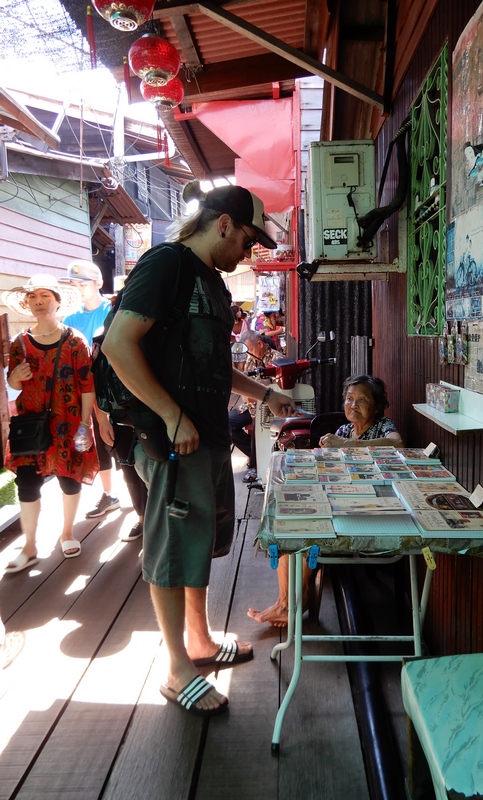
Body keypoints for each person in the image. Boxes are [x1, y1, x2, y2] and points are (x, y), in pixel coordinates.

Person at [102, 184, 296, 717]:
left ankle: (200, 642)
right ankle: (175, 670)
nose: (249, 253)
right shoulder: (166, 264)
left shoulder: (210, 281)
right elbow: (117, 344)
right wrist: (171, 414)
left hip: (202, 435)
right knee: (171, 549)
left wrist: (266, 394)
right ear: (225, 224)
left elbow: (210, 363)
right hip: (170, 439)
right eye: (249, 240)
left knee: (198, 545)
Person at [248, 374, 402, 627]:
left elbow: (397, 444)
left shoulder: (383, 426)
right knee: (290, 522)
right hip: (341, 497)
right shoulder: (343, 429)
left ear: (376, 405)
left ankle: (294, 601)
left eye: (362, 400)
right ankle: (285, 601)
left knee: (308, 529)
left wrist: (347, 445)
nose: (353, 405)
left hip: (367, 507)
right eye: (349, 399)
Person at [2, 275, 99, 573]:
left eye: (45, 296)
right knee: (27, 483)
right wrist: (13, 380)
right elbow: (12, 386)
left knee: (69, 479)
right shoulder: (19, 344)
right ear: (27, 304)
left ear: (57, 301)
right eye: (33, 297)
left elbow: (87, 386)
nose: (39, 301)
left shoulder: (75, 341)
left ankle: (67, 532)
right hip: (31, 425)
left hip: (69, 423)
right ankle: (29, 546)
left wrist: (84, 425)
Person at [61, 261, 121, 522]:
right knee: (100, 444)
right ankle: (109, 493)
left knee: (122, 442)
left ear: (98, 283)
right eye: (73, 284)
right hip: (86, 393)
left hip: (116, 389)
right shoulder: (70, 319)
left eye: (82, 283)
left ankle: (141, 502)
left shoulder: (114, 310)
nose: (78, 288)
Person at [229, 329, 284, 483]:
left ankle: (256, 465)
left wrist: (256, 396)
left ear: (260, 344)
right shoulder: (250, 359)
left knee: (259, 424)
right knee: (229, 423)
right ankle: (257, 456)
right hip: (250, 406)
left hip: (268, 407)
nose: (249, 354)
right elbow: (244, 381)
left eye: (251, 349)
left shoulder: (277, 359)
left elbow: (279, 390)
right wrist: (247, 397)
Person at [230, 304, 250, 371]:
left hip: (242, 346)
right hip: (232, 346)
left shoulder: (244, 322)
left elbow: (247, 334)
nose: (240, 313)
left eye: (240, 311)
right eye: (238, 311)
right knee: (233, 367)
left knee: (241, 367)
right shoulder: (229, 323)